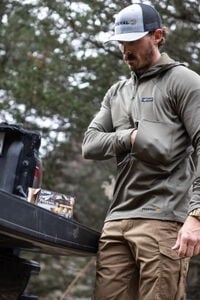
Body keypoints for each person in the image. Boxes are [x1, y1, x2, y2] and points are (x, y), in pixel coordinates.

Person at [82, 3, 200, 300]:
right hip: (117, 221)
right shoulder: (117, 92)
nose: (125, 50)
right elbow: (90, 144)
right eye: (121, 42)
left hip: (163, 221)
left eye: (133, 40)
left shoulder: (184, 82)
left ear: (157, 36)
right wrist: (130, 137)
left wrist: (196, 216)